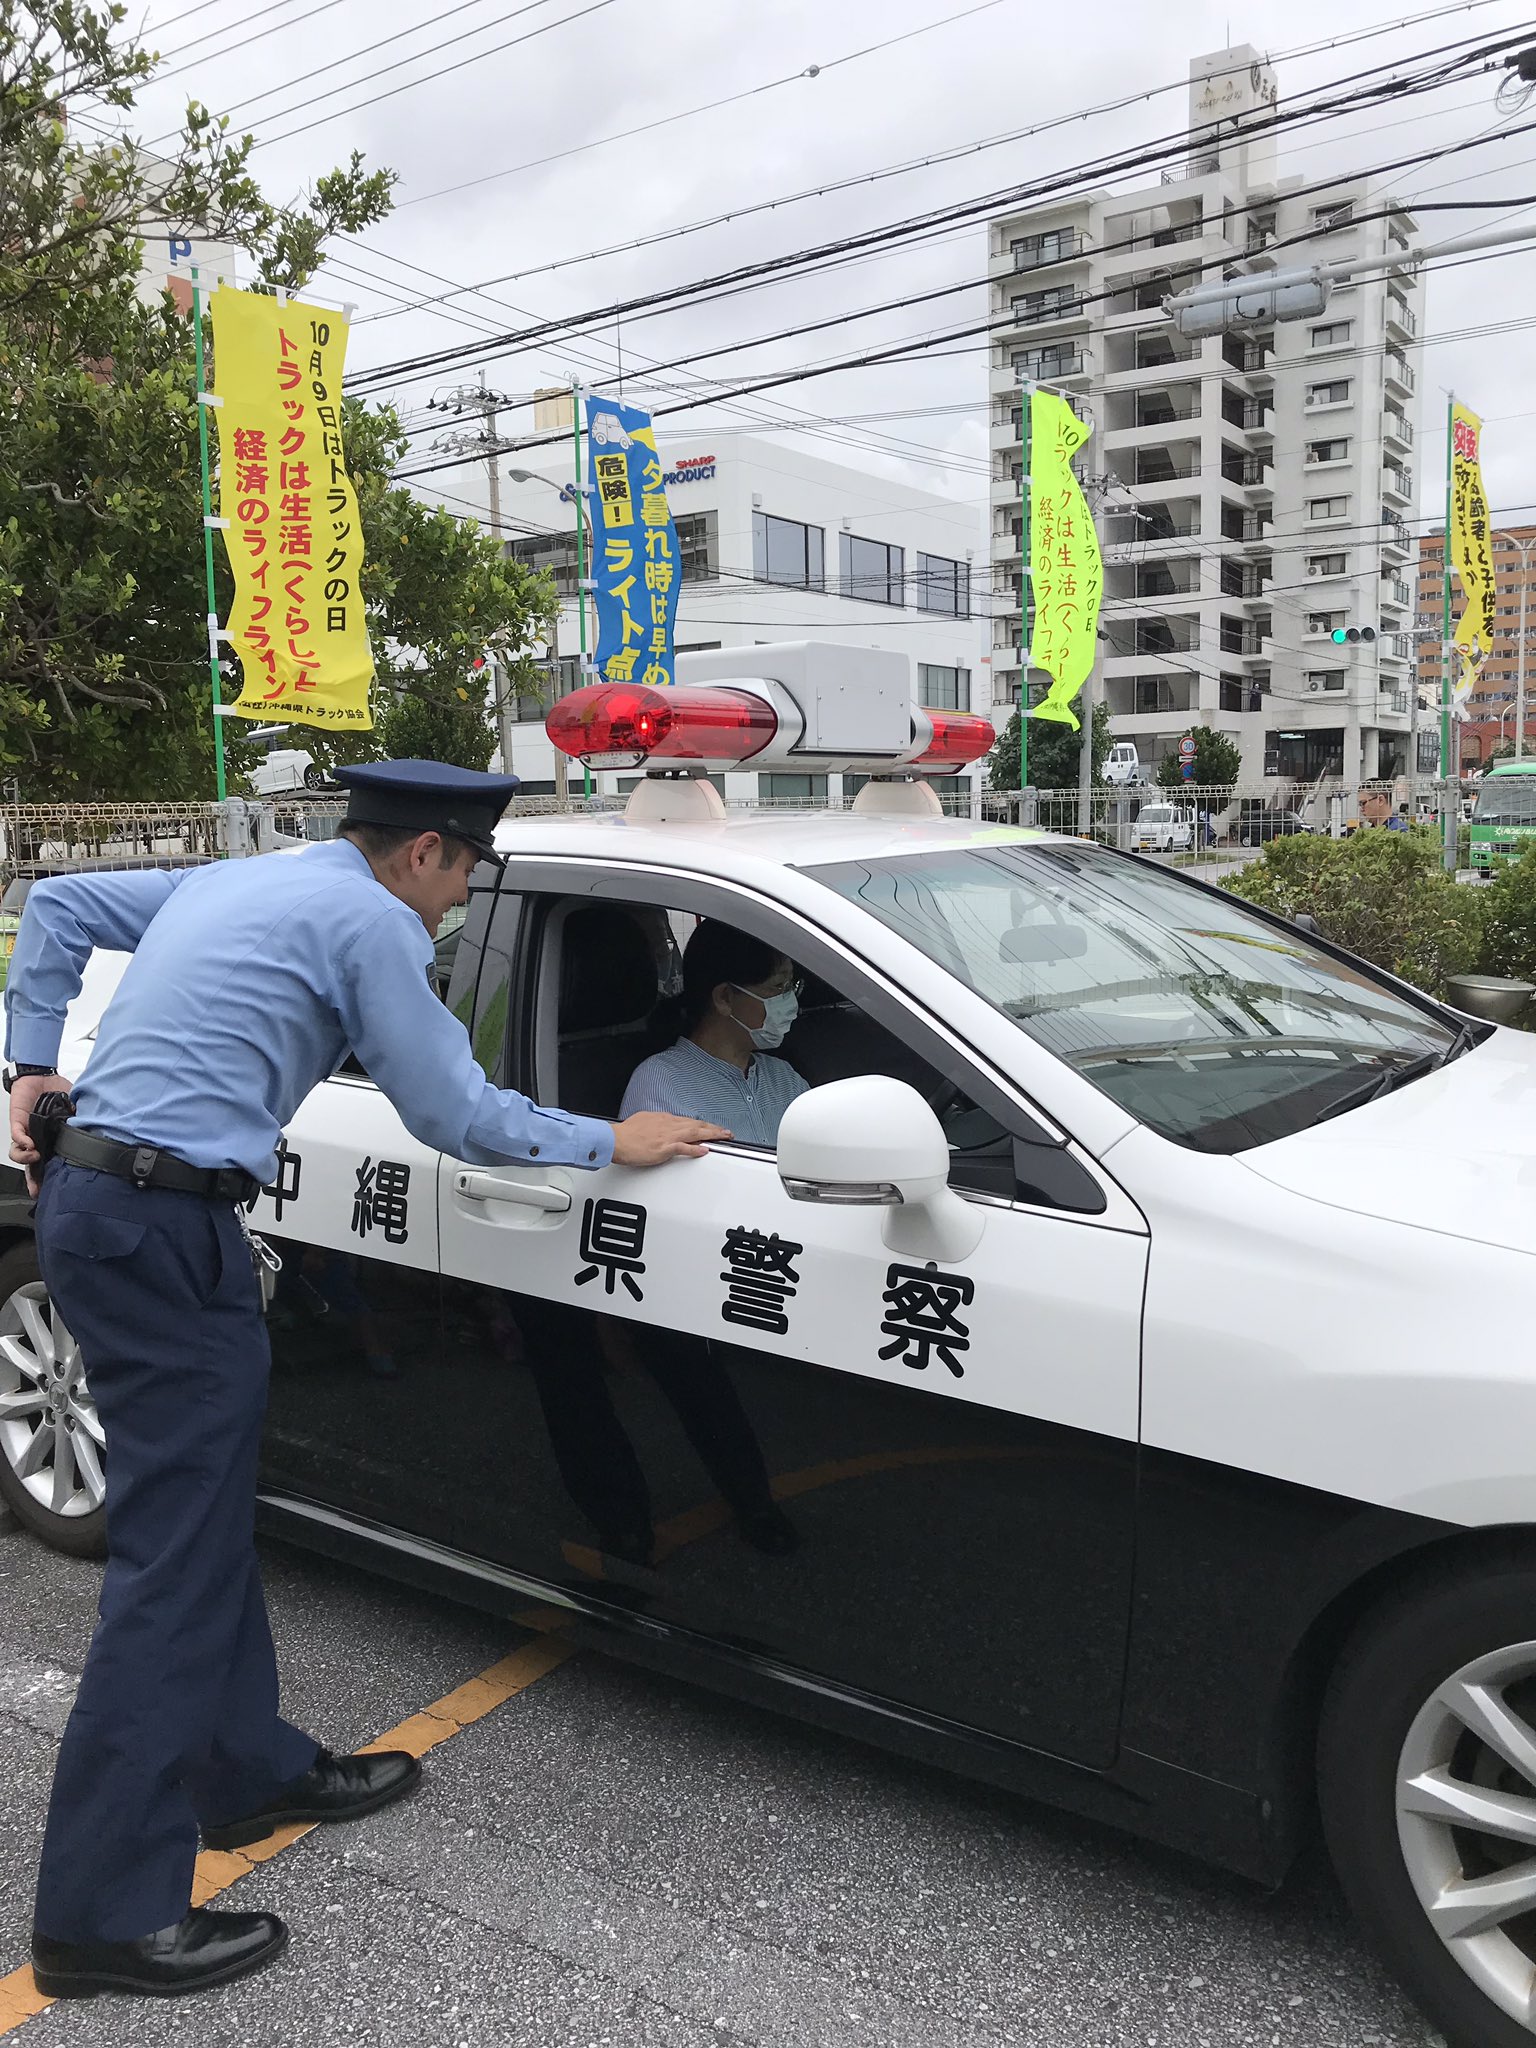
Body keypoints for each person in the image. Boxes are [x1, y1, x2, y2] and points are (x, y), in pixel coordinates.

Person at [4, 760, 726, 2002]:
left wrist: (29, 1062)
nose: (450, 915)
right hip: (158, 1225)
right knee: (170, 1564)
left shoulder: (247, 876)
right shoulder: (371, 920)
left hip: (118, 1208)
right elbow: (455, 1111)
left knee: (204, 1514)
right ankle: (99, 1913)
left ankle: (247, 1772)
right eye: (461, 883)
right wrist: (615, 1138)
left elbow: (62, 909)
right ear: (427, 852)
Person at [620, 921, 810, 1148]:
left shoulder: (783, 1077)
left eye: (792, 985)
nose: (790, 1001)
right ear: (724, 998)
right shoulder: (662, 1083)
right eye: (779, 986)